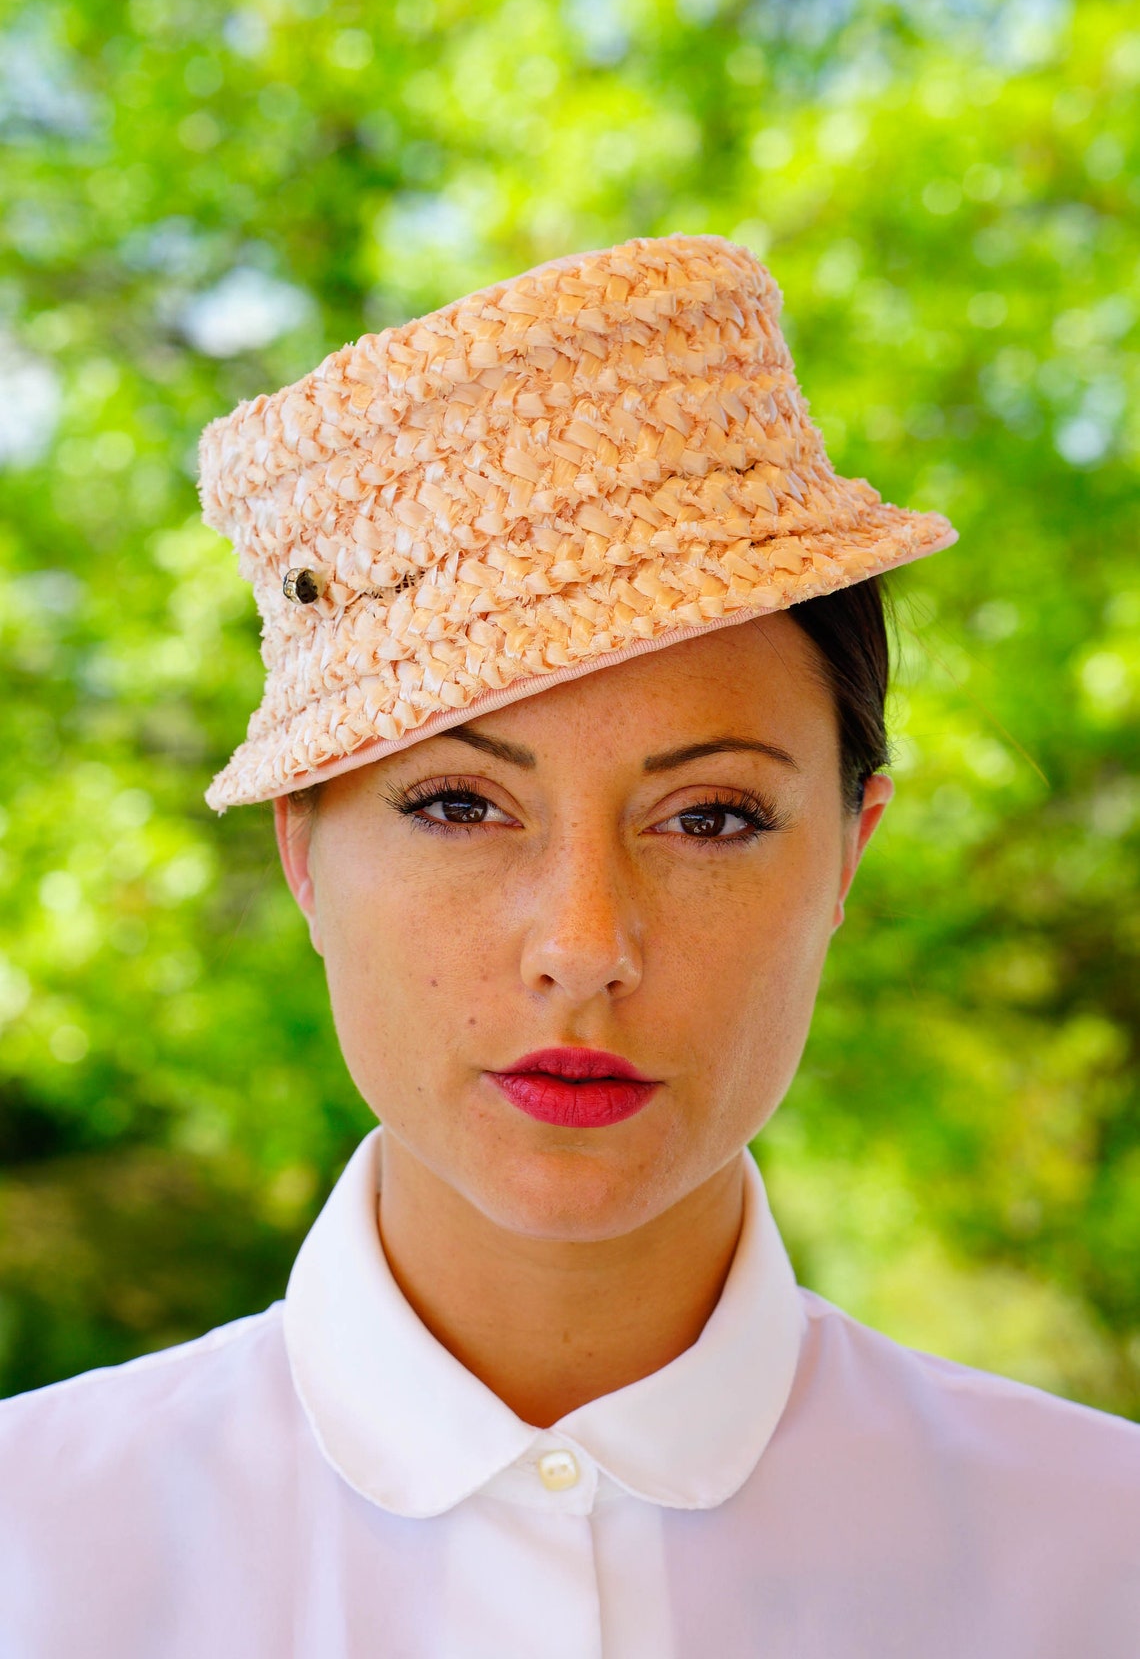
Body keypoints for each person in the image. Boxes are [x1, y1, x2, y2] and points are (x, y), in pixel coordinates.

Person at [0, 234, 1136, 1657]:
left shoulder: (1099, 1560)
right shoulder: (32, 1556)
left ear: (849, 849)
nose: (583, 947)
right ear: (302, 848)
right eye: (461, 805)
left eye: (709, 818)